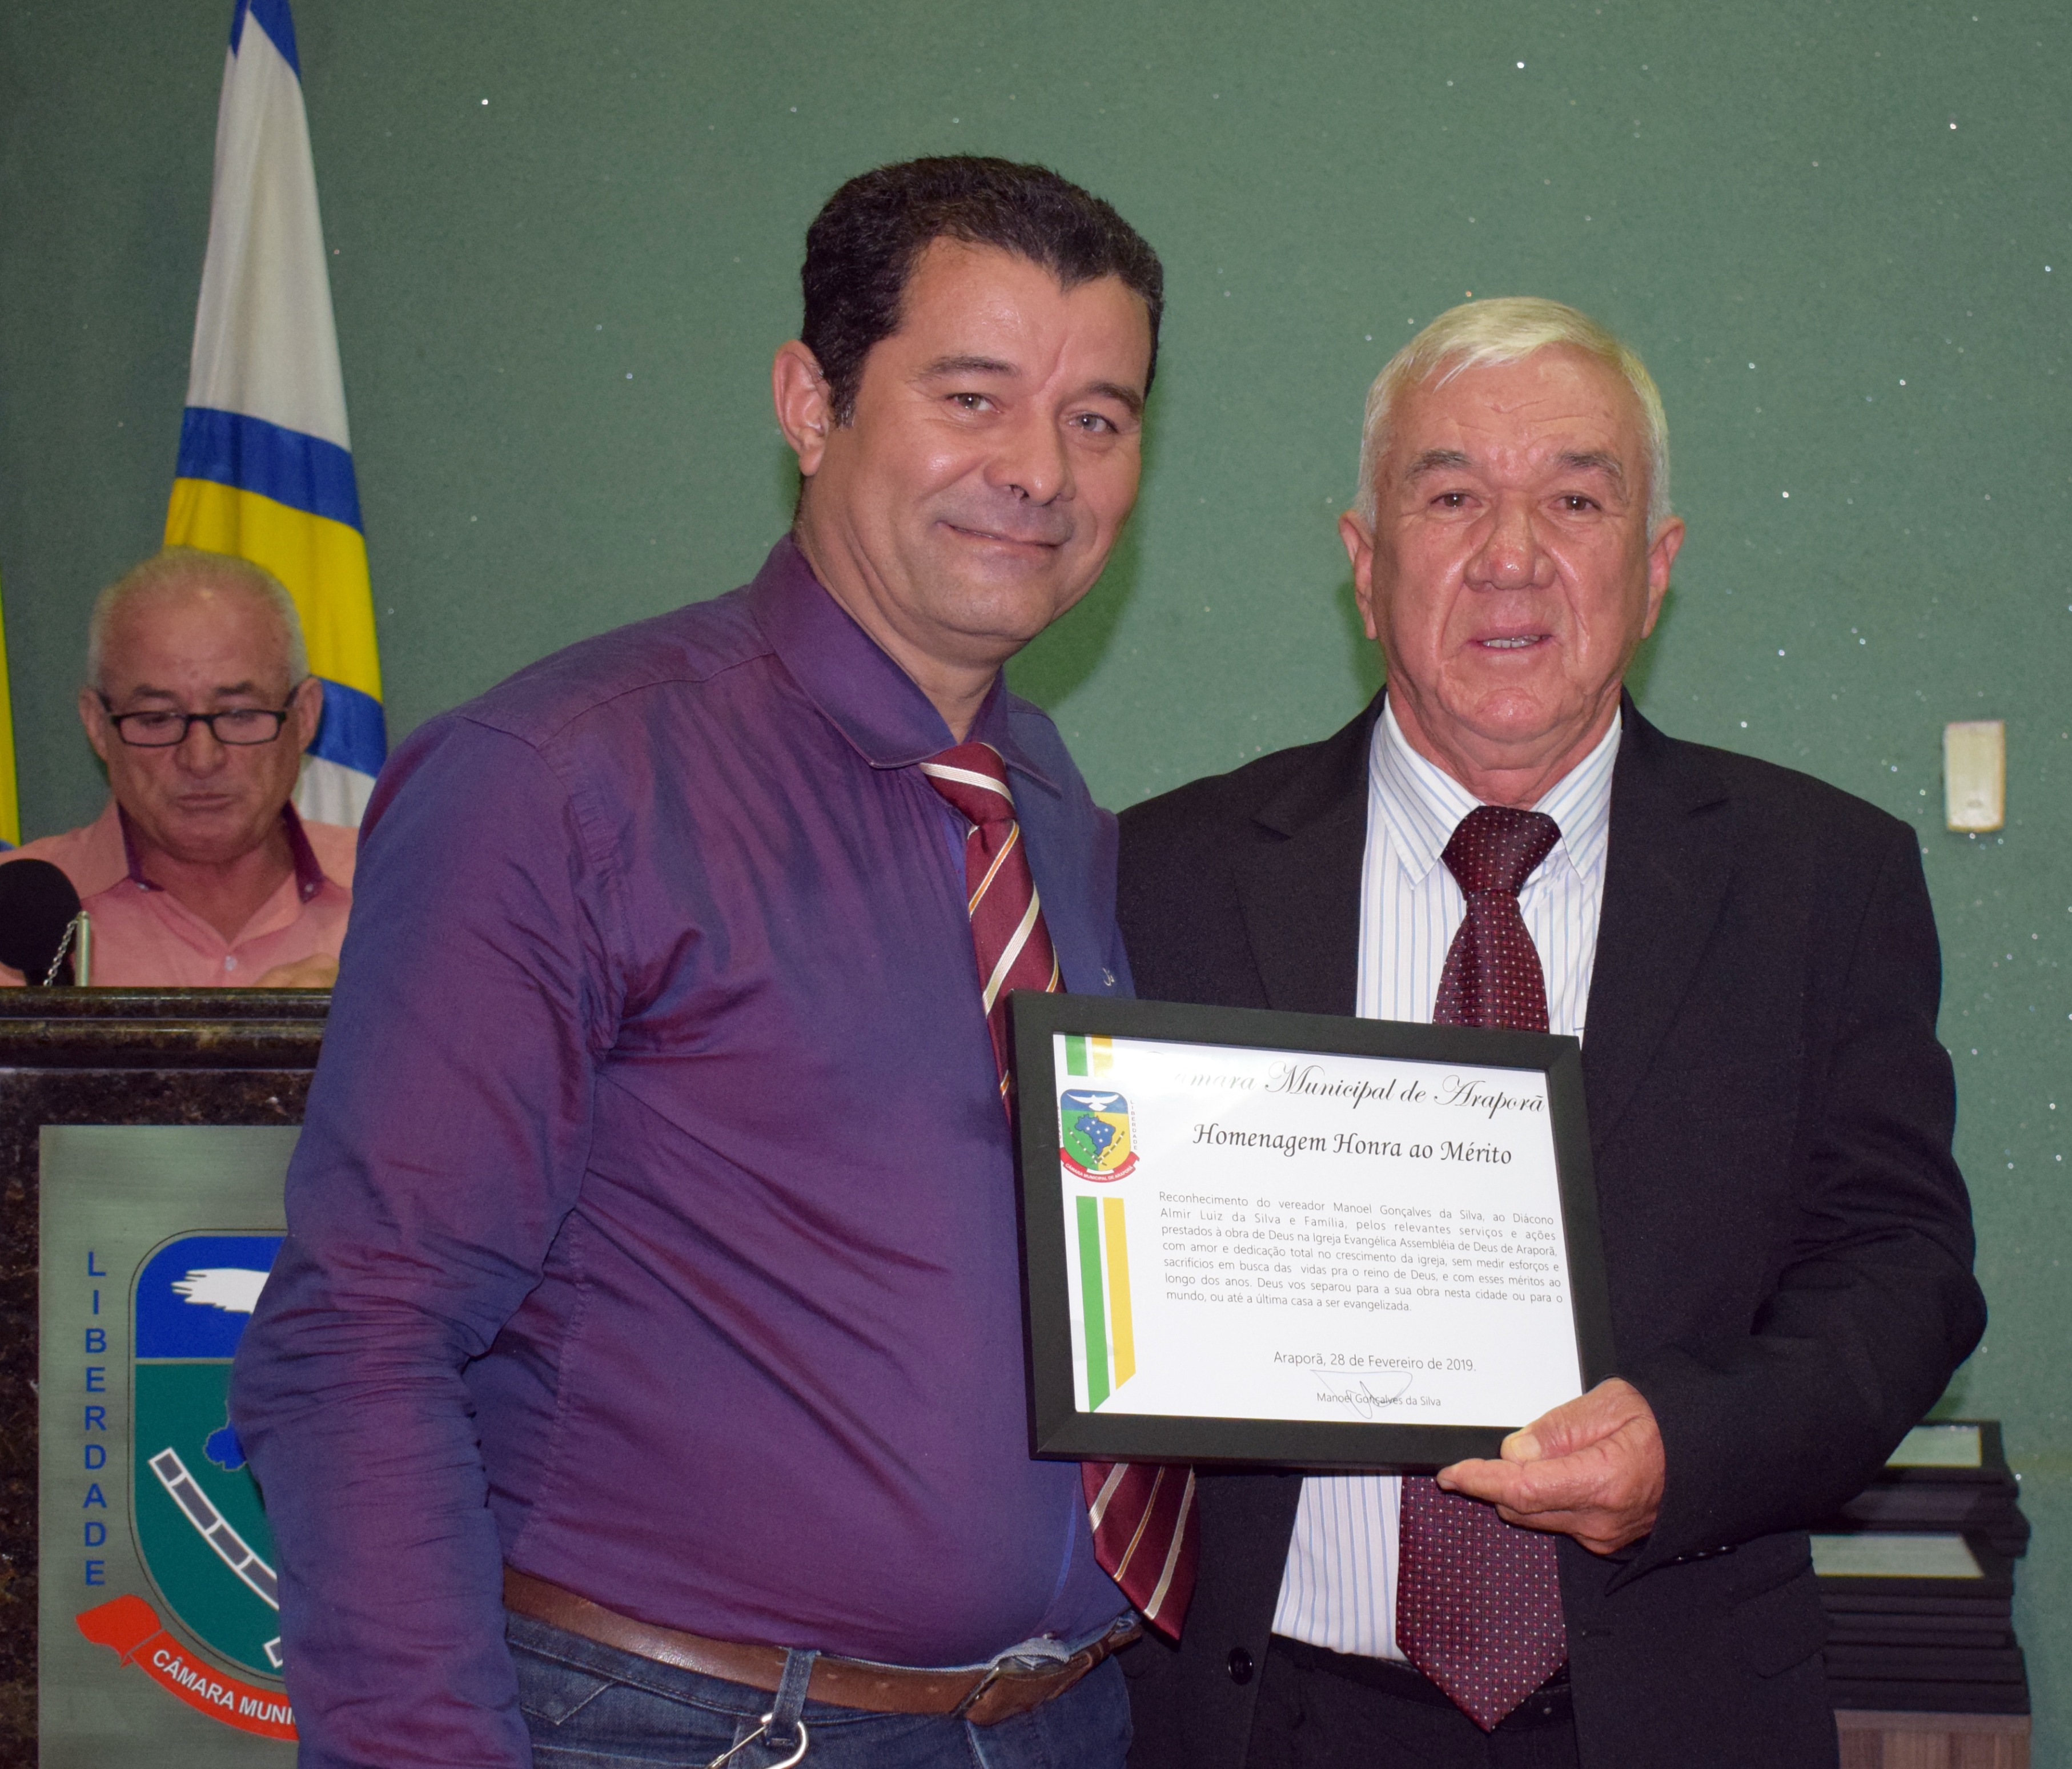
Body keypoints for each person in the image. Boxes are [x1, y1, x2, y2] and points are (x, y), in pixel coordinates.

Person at [231, 156, 1189, 1769]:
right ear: (811, 405)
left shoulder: (1050, 811)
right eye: (972, 397)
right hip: (684, 1727)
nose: (1039, 470)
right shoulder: (558, 781)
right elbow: (362, 1336)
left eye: (1097, 418)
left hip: (1054, 1722)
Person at [1114, 299, 1984, 1768]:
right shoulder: (1164, 872)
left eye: (1576, 500)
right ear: (1364, 565)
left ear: (1655, 568)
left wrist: (1685, 1446)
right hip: (1265, 1717)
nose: (1510, 554)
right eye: (1450, 495)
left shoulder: (1822, 879)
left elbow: (1900, 1270)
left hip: (1674, 1713)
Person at [0, 548, 349, 987]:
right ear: (97, 725)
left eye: (239, 714)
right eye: (156, 719)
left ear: (306, 716)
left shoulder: (407, 895)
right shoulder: (10, 918)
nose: (201, 760)